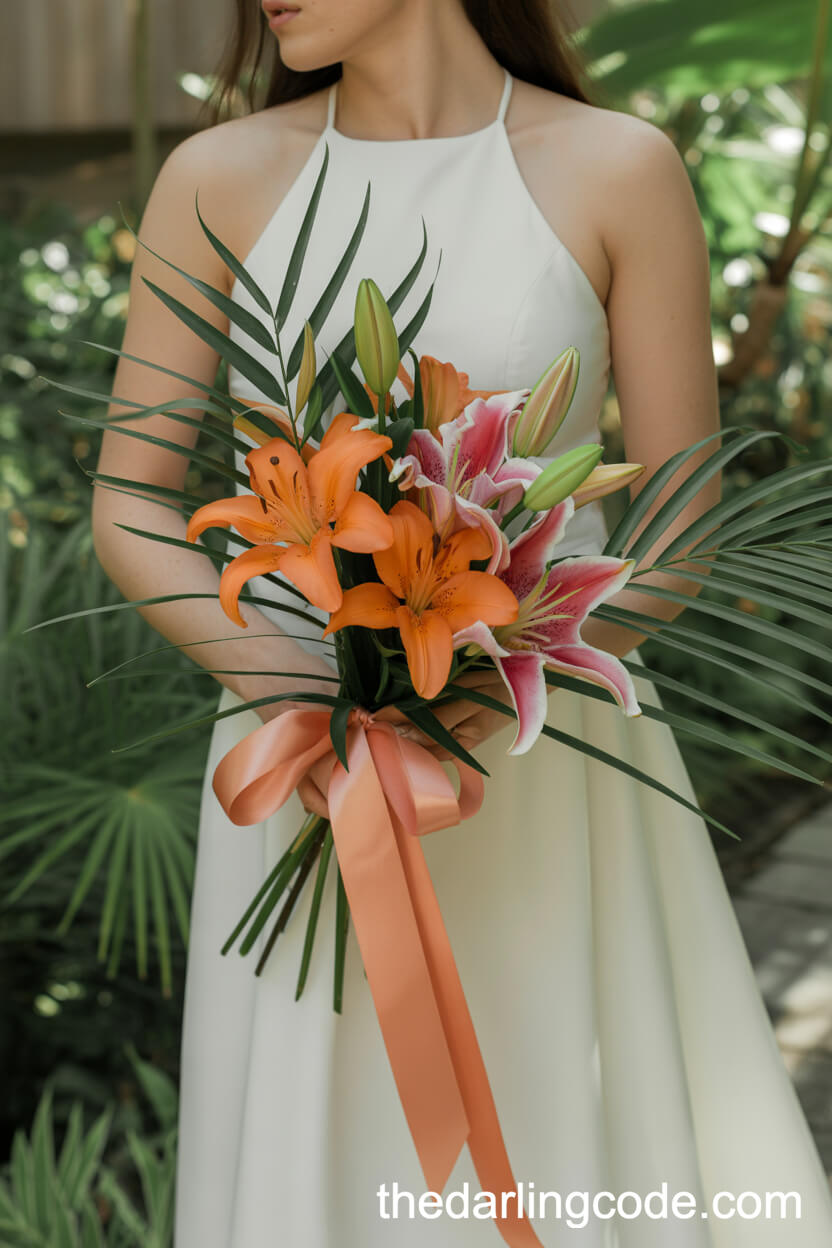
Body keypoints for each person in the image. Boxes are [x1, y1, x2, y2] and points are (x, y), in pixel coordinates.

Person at [92, 2, 832, 1244]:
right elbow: (130, 498)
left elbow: (685, 524)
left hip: (552, 760)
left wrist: (470, 695)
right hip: (306, 776)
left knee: (559, 1126)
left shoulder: (616, 167)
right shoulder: (217, 176)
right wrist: (311, 696)